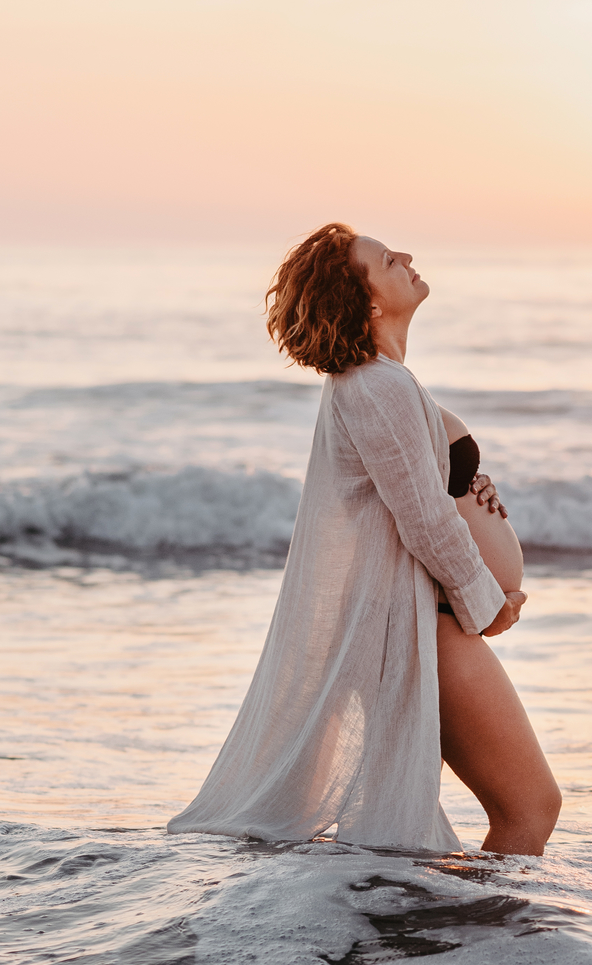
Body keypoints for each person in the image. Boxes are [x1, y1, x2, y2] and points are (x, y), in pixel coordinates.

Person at [167, 223, 561, 856]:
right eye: (386, 259)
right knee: (531, 808)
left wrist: (474, 486)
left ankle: (442, 930)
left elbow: (422, 497)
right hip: (428, 627)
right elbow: (426, 520)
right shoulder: (378, 386)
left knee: (475, 824)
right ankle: (494, 943)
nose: (406, 256)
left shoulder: (379, 381)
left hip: (429, 621)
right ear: (368, 301)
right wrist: (487, 604)